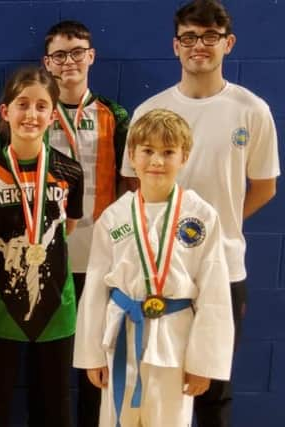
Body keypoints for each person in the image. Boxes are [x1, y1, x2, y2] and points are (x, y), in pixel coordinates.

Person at [120, 1, 280, 425]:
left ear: (228, 43)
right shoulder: (149, 112)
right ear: (176, 46)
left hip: (223, 271)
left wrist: (216, 227)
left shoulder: (252, 110)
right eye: (189, 37)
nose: (199, 46)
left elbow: (265, 186)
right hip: (155, 272)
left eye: (210, 37)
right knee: (153, 387)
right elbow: (133, 186)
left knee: (211, 389)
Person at [75, 108, 235, 427]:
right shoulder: (114, 217)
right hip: (121, 335)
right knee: (118, 419)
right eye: (147, 151)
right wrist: (91, 354)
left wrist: (203, 362)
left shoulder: (200, 216)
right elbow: (95, 288)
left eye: (168, 152)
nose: (157, 161)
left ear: (184, 157)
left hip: (175, 341)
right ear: (131, 155)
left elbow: (215, 292)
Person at [0, 66, 84, 427]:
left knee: (56, 395)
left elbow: (68, 227)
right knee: (0, 394)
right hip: (4, 297)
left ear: (53, 115)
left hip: (56, 299)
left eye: (40, 106)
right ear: (5, 112)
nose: (31, 115)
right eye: (22, 105)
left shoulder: (70, 172)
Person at [42, 20, 130, 426]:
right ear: (48, 63)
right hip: (50, 255)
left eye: (78, 51)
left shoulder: (116, 113)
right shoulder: (37, 113)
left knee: (97, 361)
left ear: (91, 57)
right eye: (60, 54)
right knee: (55, 365)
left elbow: (133, 184)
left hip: (102, 257)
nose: (69, 61)